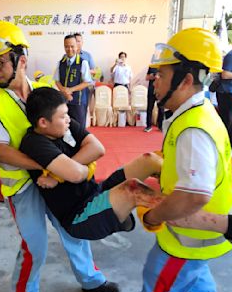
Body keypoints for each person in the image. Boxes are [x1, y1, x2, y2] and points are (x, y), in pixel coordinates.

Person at [0, 21, 119, 292]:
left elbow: (70, 129)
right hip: (22, 187)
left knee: (74, 231)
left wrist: (55, 172)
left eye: (1, 61)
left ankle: (90, 280)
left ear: (21, 60)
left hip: (56, 180)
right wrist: (44, 169)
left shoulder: (43, 88)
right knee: (36, 246)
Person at [133, 27, 232, 292]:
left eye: (161, 75)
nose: (155, 81)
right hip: (194, 235)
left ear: (186, 79)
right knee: (195, 278)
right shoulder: (193, 115)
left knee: (156, 291)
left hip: (185, 236)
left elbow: (194, 195)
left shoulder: (194, 128)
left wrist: (152, 215)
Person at [21, 87, 165, 240]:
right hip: (80, 216)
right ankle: (184, 210)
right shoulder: (34, 143)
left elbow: (98, 149)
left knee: (150, 160)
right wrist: (81, 167)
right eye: (63, 116)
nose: (69, 119)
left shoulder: (65, 125)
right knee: (133, 190)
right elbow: (76, 174)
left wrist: (56, 176)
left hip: (96, 191)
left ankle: (187, 187)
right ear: (43, 122)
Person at [54, 34, 92, 128]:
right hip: (64, 102)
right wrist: (64, 91)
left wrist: (71, 90)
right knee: (65, 128)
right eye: (66, 46)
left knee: (79, 128)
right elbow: (56, 80)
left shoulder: (83, 62)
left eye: (72, 46)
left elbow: (87, 82)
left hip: (78, 102)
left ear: (77, 46)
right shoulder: (61, 62)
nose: (69, 49)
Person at [144, 66, 164, 132]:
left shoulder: (164, 67)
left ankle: (160, 126)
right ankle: (148, 126)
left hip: (160, 91)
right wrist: (153, 76)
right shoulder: (151, 67)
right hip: (151, 90)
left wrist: (158, 76)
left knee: (161, 109)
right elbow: (146, 78)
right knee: (149, 108)